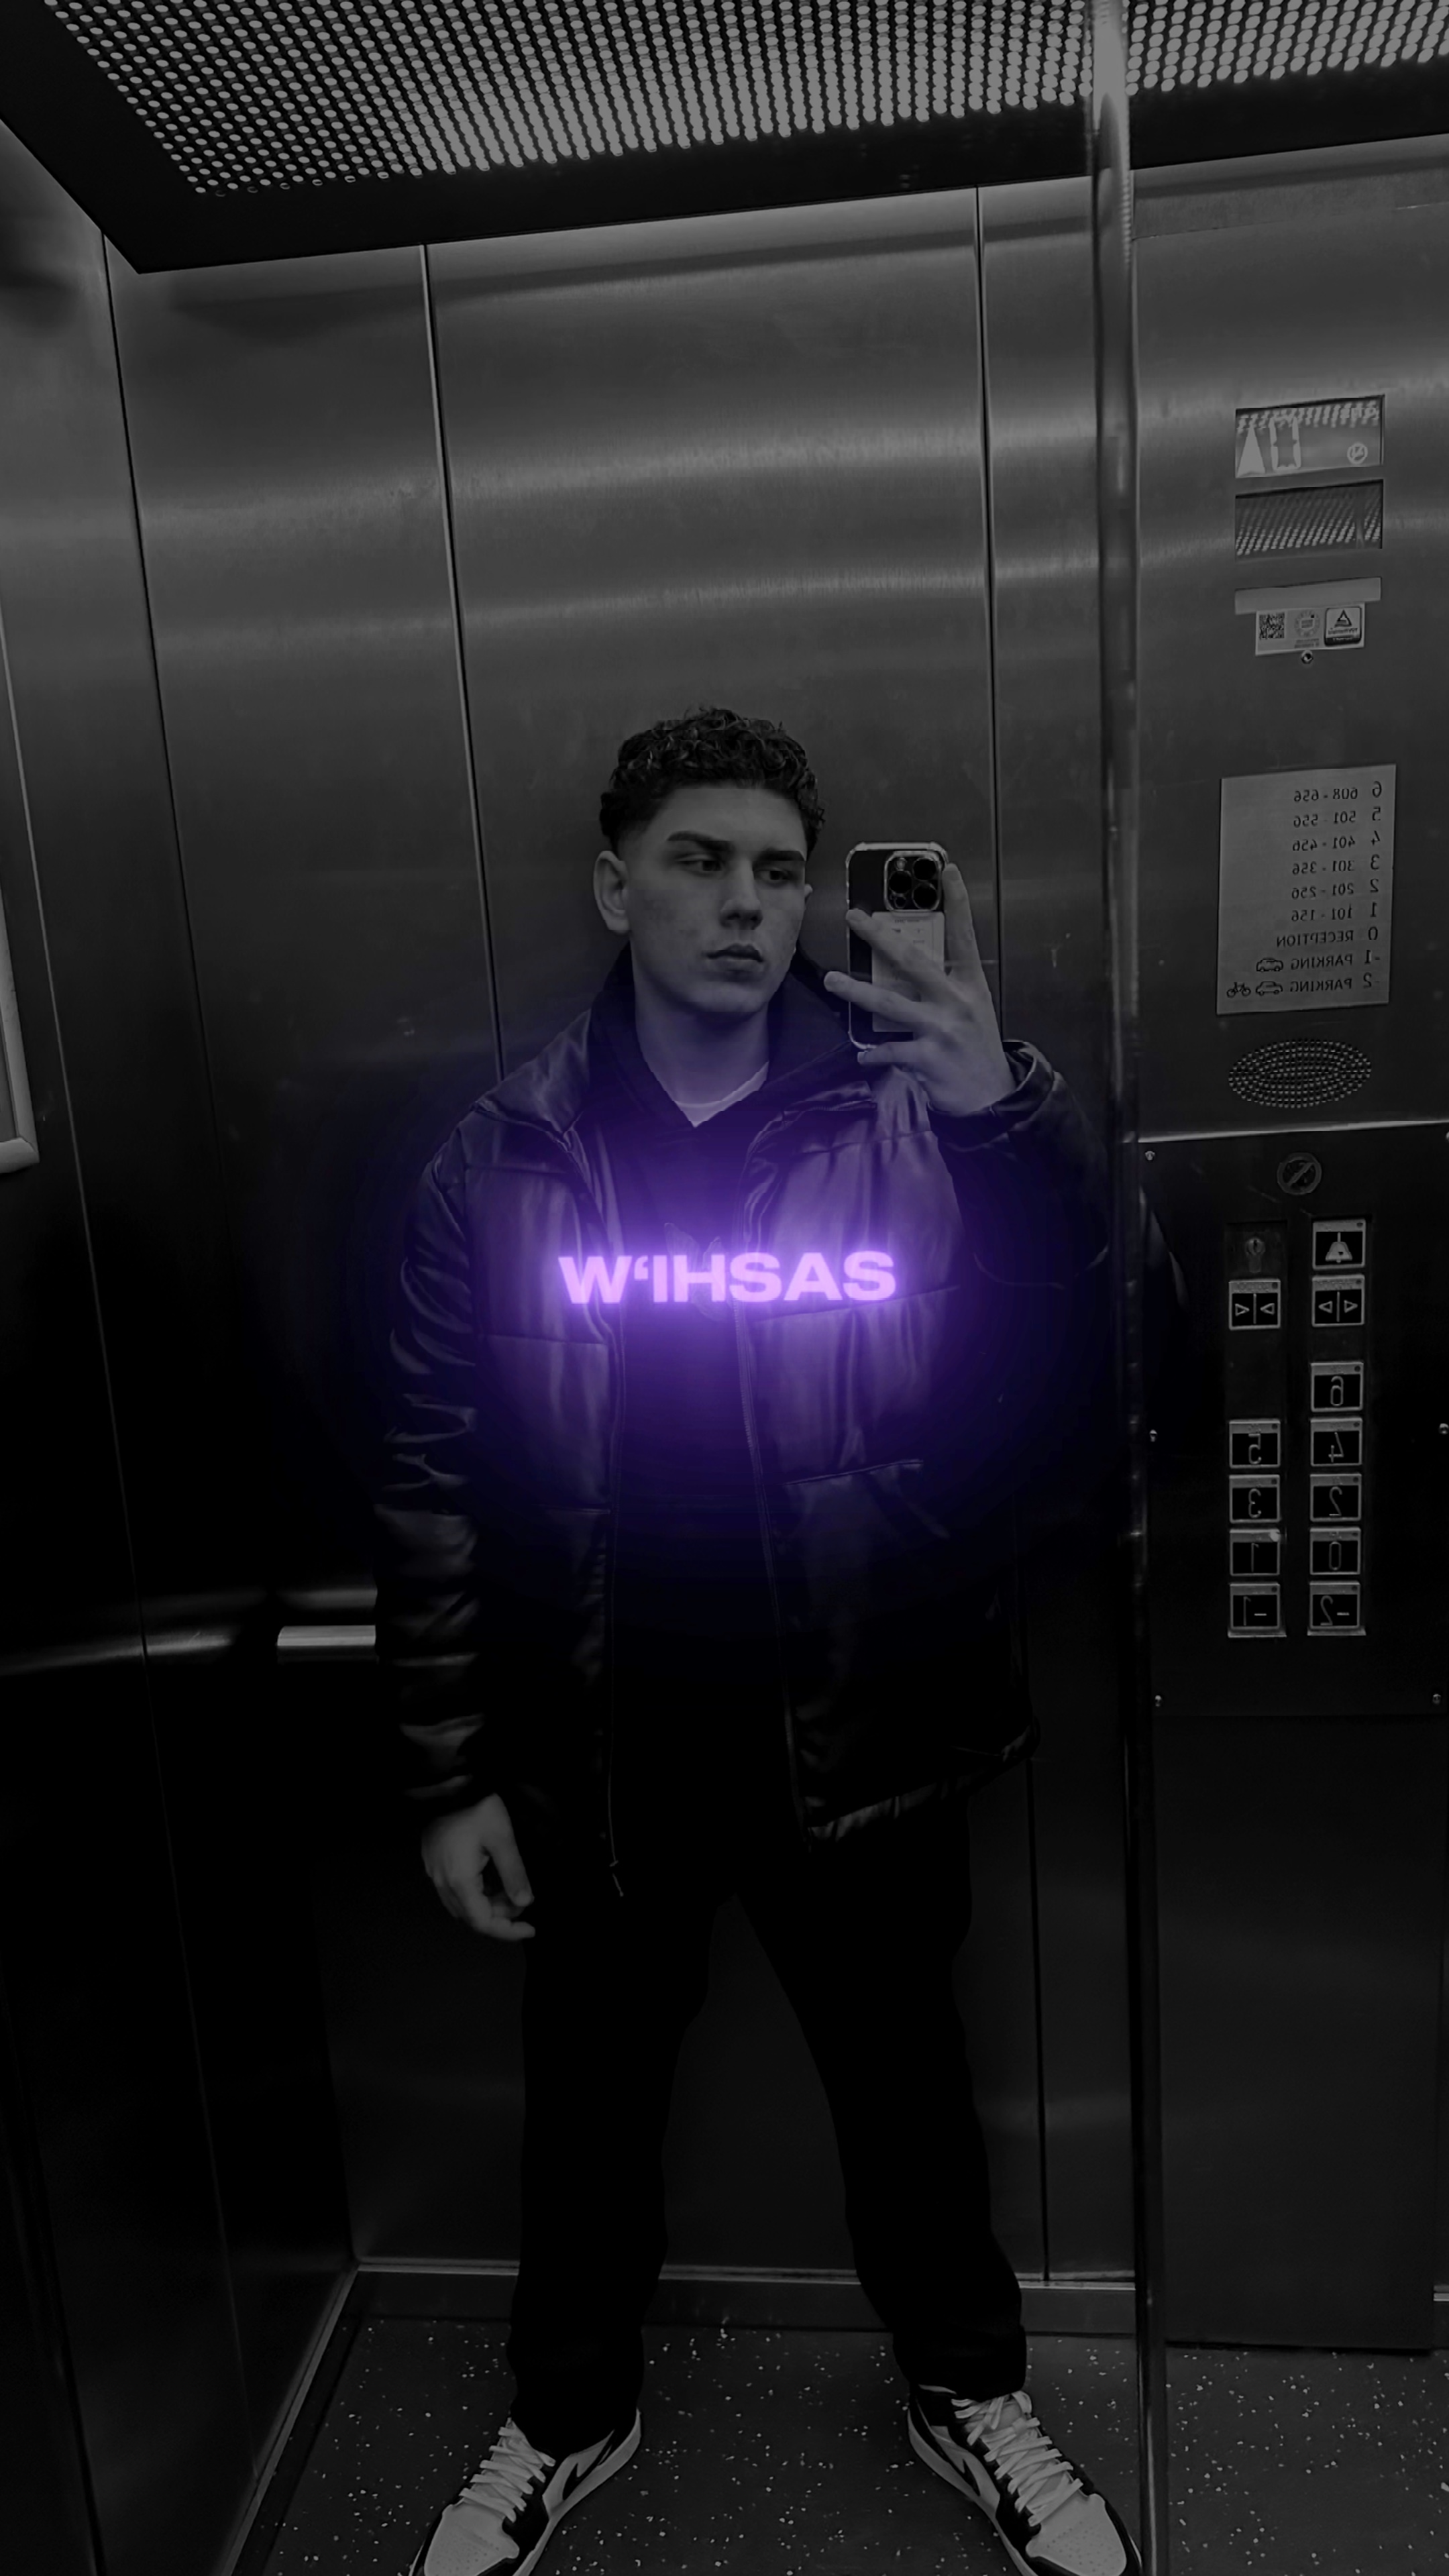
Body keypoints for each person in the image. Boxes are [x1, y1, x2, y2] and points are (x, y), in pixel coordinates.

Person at [375, 706, 1167, 2576]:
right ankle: (567, 2413)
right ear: (615, 887)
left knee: (908, 2100)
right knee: (588, 2113)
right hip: (601, 1744)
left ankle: (967, 2387)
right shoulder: (502, 1158)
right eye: (700, 861)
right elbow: (431, 1470)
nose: (748, 903)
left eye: (782, 872)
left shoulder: (925, 1114)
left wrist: (1009, 1117)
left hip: (865, 1721)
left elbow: (1112, 1370)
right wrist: (449, 1772)